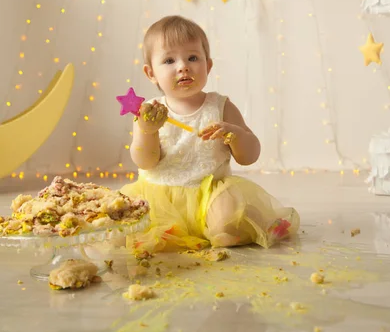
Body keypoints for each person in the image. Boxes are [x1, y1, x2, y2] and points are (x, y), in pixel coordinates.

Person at [121, 15, 299, 254]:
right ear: (151, 73)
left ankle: (235, 224)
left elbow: (250, 156)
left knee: (229, 224)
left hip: (211, 193)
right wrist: (148, 131)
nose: (183, 66)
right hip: (160, 196)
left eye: (192, 57)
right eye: (169, 60)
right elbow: (145, 160)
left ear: (208, 65)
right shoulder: (148, 112)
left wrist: (235, 135)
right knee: (126, 231)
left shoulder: (220, 106)